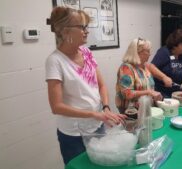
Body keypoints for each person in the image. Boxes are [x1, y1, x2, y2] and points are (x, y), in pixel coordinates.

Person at [45, 7, 126, 165]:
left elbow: (101, 85)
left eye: (86, 26)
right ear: (65, 31)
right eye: (82, 27)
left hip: (97, 126)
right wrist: (95, 114)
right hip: (74, 134)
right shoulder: (55, 61)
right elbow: (57, 107)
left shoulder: (86, 52)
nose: (86, 31)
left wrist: (106, 108)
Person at [115, 38, 164, 115]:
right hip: (132, 113)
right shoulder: (126, 68)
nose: (150, 53)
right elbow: (127, 94)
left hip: (145, 110)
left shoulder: (144, 67)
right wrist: (149, 92)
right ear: (138, 52)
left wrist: (155, 97)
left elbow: (149, 88)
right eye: (147, 51)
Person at [151, 29, 182, 98]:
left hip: (178, 94)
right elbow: (151, 67)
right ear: (175, 45)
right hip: (163, 94)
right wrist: (164, 77)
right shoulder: (164, 52)